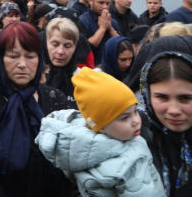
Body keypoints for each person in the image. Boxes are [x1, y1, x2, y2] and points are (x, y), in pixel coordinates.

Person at [0, 21, 73, 196]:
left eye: (30, 56)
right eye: (13, 56)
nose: (22, 64)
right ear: (0, 59)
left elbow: (70, 164)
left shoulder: (56, 100)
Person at [36, 68, 164, 196]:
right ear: (100, 126)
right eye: (125, 117)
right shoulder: (128, 162)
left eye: (135, 111)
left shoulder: (79, 148)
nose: (136, 120)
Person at [139, 51, 192, 196]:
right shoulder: (132, 137)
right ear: (147, 97)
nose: (174, 110)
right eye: (162, 97)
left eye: (185, 98)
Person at [41, 17, 80, 100]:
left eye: (67, 46)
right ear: (46, 43)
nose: (60, 51)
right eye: (55, 45)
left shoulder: (81, 80)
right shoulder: (34, 77)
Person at [79, 0, 120, 66]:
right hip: (92, 69)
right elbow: (86, 48)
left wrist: (110, 29)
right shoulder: (82, 20)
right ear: (90, 1)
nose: (105, 7)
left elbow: (121, 46)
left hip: (111, 68)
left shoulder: (113, 22)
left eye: (108, 4)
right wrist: (102, 29)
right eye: (101, 3)